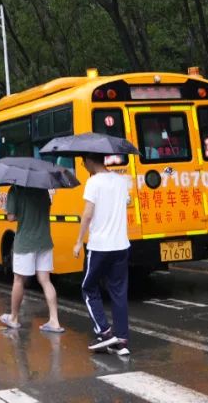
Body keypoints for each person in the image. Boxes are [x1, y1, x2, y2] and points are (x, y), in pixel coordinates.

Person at [74, 152, 132, 356]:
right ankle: (122, 340)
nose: (83, 165)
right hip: (121, 245)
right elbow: (125, 203)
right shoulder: (121, 180)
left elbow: (88, 213)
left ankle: (104, 332)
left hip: (99, 246)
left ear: (90, 160)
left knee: (88, 288)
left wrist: (79, 241)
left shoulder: (94, 182)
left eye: (83, 162)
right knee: (118, 292)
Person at [0, 184, 63, 333]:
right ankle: (54, 320)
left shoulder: (15, 190)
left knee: (19, 280)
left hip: (25, 242)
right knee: (46, 280)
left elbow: (11, 217)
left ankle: (13, 318)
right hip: (44, 240)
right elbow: (46, 208)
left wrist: (9, 209)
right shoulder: (43, 189)